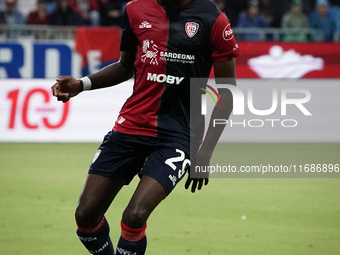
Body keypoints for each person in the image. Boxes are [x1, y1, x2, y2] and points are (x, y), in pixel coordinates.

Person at [51, 0, 239, 254]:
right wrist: (81, 84)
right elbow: (124, 67)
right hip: (131, 126)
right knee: (85, 216)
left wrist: (204, 154)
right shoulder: (135, 9)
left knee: (135, 216)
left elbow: (226, 96)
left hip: (178, 135)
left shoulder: (214, 20)